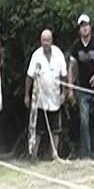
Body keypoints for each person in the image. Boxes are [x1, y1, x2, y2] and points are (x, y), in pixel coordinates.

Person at [25, 29, 69, 160]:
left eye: (48, 40)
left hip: (54, 97)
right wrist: (26, 95)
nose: (46, 43)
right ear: (40, 41)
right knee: (37, 128)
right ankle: (33, 154)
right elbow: (29, 76)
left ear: (51, 41)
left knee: (56, 129)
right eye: (43, 40)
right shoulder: (36, 55)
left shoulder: (59, 54)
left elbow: (64, 76)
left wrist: (64, 92)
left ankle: (54, 154)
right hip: (39, 99)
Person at [69, 14, 94, 159]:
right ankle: (86, 154)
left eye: (86, 25)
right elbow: (72, 66)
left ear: (90, 27)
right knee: (84, 121)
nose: (85, 28)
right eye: (82, 26)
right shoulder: (76, 45)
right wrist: (70, 88)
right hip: (82, 88)